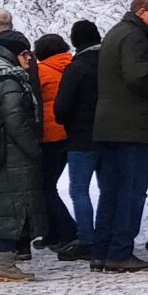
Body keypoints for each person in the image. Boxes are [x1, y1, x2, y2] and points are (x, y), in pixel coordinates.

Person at [92, 0, 148, 273]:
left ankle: (101, 251)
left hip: (109, 126)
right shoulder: (136, 38)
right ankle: (120, 252)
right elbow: (140, 77)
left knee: (111, 192)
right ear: (142, 11)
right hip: (134, 126)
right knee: (131, 191)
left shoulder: (116, 33)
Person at [0, 31, 41, 281]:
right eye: (25, 53)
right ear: (12, 54)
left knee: (2, 208)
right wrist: (34, 149)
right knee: (15, 209)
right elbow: (15, 120)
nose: (29, 58)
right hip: (12, 153)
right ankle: (5, 265)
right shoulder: (9, 81)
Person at [53, 19, 102, 261]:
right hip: (111, 135)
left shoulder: (77, 67)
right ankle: (106, 236)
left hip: (81, 138)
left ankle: (87, 239)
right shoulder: (111, 64)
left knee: (79, 190)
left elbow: (62, 108)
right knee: (109, 189)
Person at [32, 32, 77, 252]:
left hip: (49, 136)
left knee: (44, 187)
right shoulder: (72, 66)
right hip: (69, 133)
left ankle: (67, 231)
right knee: (48, 185)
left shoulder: (40, 71)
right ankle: (54, 232)